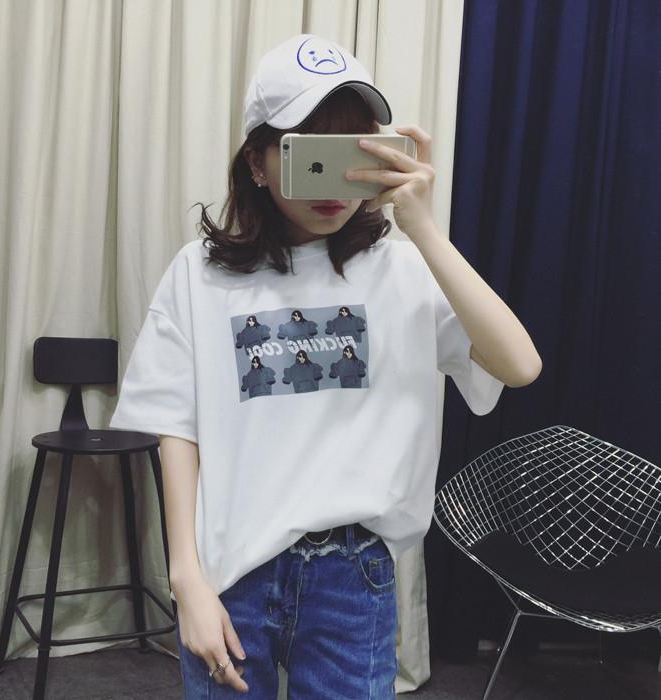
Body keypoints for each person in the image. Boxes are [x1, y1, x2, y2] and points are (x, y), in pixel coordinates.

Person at [109, 33, 541, 699]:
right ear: (258, 162)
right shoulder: (199, 275)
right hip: (234, 570)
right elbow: (176, 429)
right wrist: (186, 580)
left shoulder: (403, 270)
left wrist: (423, 228)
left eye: (351, 150)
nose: (332, 180)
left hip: (353, 578)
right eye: (307, 150)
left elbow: (519, 364)